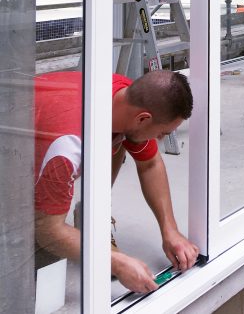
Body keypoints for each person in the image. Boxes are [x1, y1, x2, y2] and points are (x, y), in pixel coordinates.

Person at [34, 69, 199, 294]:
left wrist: (170, 231)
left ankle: (90, 215)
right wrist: (115, 262)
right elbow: (46, 231)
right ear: (143, 118)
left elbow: (150, 164)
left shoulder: (125, 96)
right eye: (161, 132)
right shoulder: (68, 144)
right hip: (16, 160)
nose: (159, 139)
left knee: (120, 138)